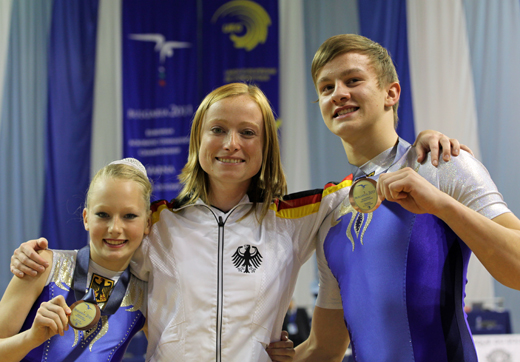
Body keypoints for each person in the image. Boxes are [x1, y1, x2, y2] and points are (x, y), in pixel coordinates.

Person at [9, 83, 463, 361]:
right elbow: (99, 254)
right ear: (198, 140)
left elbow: (374, 174)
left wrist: (418, 143)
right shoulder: (157, 222)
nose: (231, 144)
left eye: (248, 133)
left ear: (266, 147)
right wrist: (30, 257)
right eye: (218, 130)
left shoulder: (299, 215)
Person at [293, 34, 520, 362]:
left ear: (391, 92)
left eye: (353, 80)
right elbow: (323, 348)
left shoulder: (443, 165)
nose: (339, 93)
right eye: (326, 88)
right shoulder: (331, 210)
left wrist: (441, 205)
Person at [0, 158, 152, 362]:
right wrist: (31, 338)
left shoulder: (147, 295)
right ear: (86, 218)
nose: (115, 228)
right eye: (103, 214)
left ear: (148, 222)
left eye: (129, 216)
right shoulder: (42, 265)